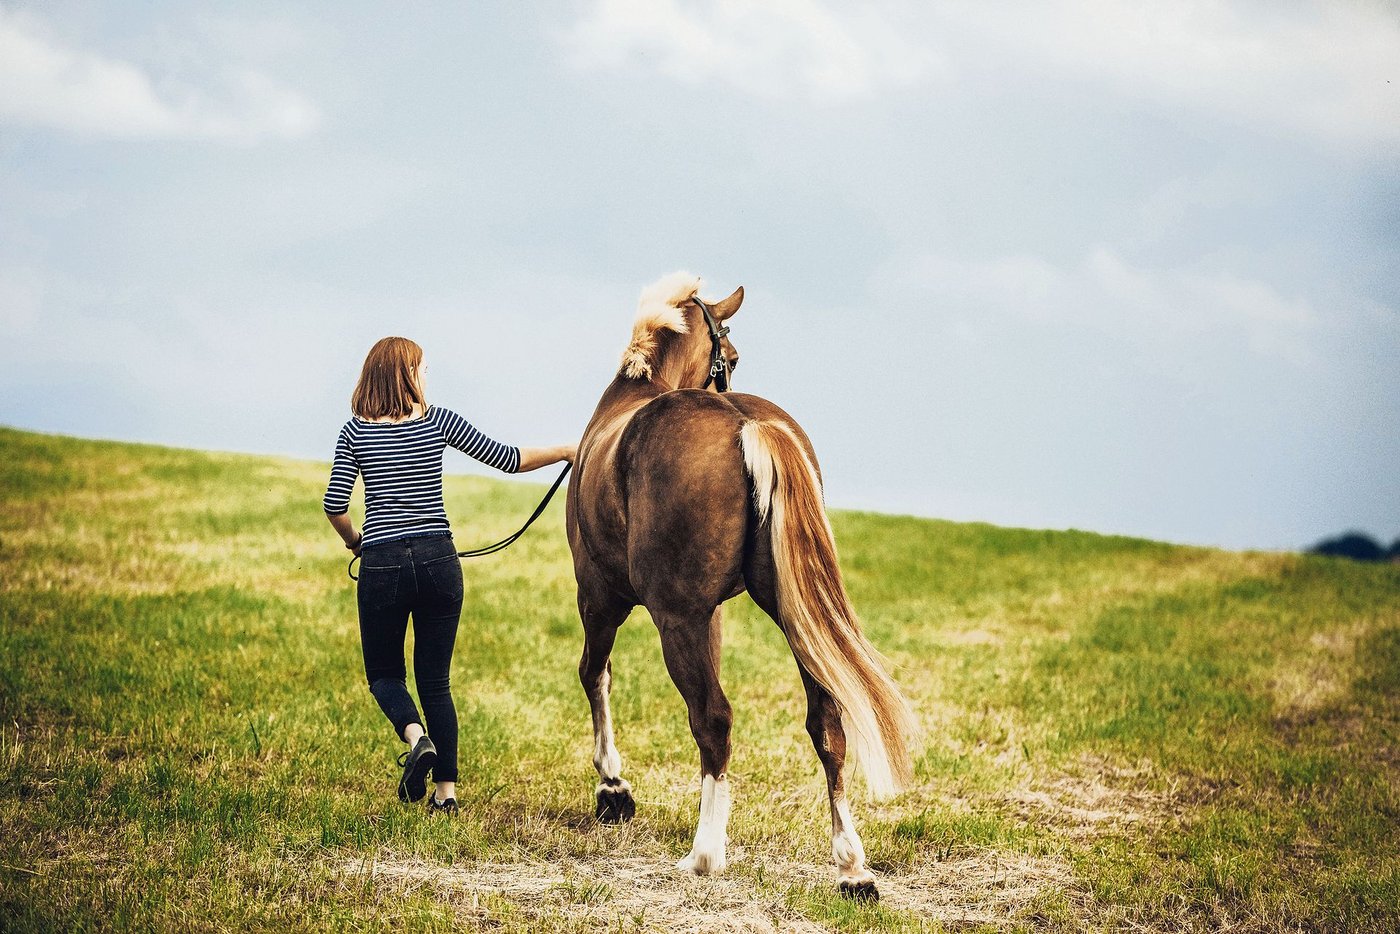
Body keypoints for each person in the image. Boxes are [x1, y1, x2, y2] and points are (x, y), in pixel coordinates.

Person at [323, 336, 574, 814]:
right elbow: (509, 458)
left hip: (383, 565)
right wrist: (565, 450)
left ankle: (416, 738)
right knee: (436, 682)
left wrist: (356, 541)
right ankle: (446, 796)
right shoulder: (438, 420)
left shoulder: (354, 431)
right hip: (440, 562)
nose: (424, 378)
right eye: (420, 369)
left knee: (383, 675)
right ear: (405, 374)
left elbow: (335, 505)